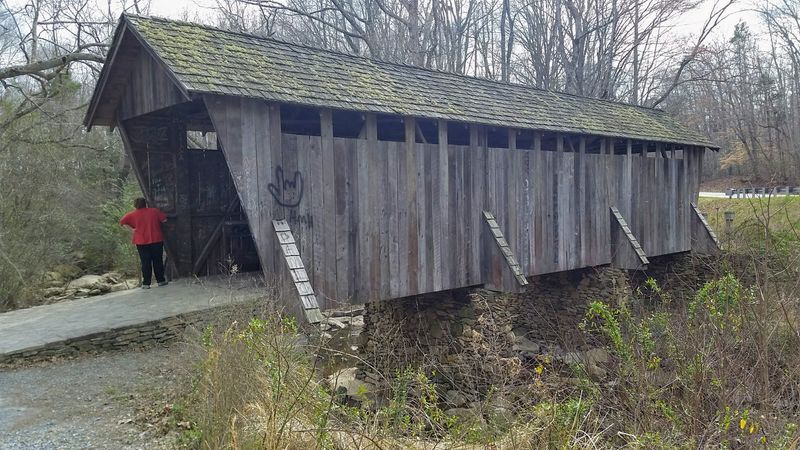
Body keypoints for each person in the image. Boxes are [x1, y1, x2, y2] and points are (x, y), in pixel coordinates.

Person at [120, 197, 168, 289]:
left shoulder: (132, 214)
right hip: (156, 239)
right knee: (157, 260)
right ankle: (161, 281)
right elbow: (164, 220)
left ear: (135, 205)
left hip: (141, 241)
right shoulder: (155, 211)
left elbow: (122, 222)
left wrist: (132, 230)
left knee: (145, 262)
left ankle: (146, 283)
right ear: (145, 203)